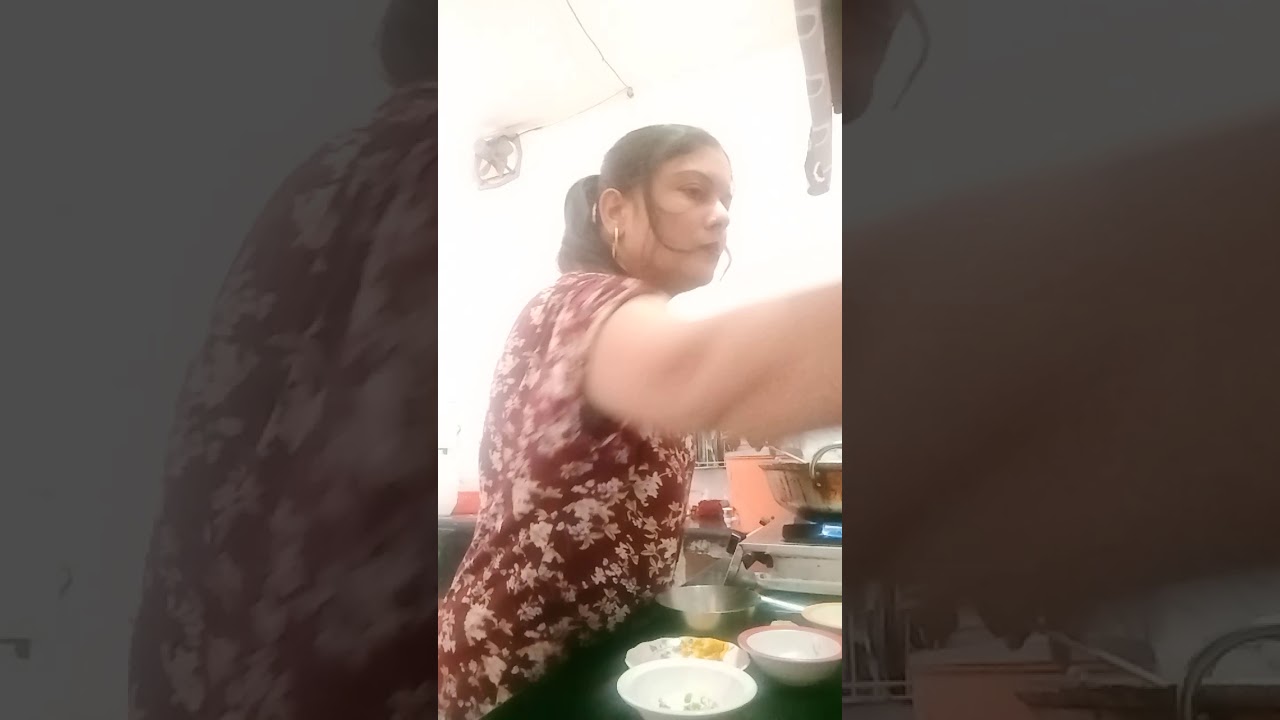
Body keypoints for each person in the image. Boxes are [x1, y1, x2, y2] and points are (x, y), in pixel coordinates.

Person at [436, 124, 843, 718]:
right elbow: (690, 372)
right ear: (614, 210)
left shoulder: (624, 316)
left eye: (726, 198)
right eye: (693, 191)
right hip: (519, 668)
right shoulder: (579, 301)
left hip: (599, 657)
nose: (721, 215)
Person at [127, 1, 443, 718]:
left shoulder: (330, 167)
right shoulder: (426, 165)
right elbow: (382, 462)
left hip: (216, 630)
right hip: (325, 652)